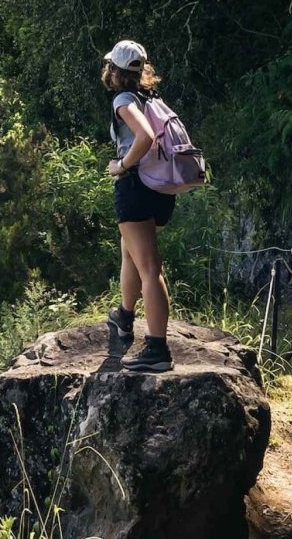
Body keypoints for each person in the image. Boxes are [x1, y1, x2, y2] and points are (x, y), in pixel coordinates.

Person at [101, 39, 175, 372]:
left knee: (149, 267)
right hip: (160, 189)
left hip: (136, 186)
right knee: (130, 250)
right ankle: (125, 316)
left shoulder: (124, 99)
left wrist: (122, 165)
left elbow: (144, 137)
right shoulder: (151, 97)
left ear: (114, 70)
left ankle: (157, 349)